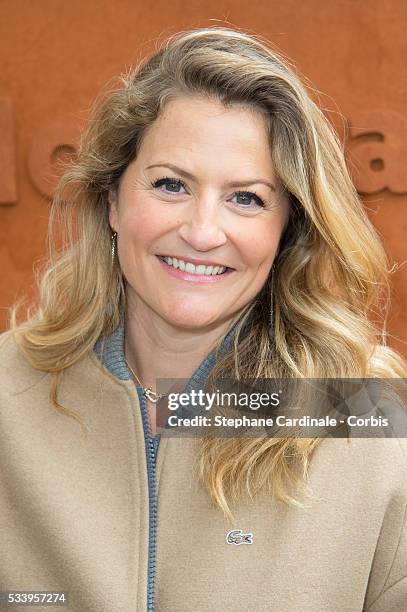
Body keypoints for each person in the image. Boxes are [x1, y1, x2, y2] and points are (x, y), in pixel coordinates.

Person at [0, 26, 406, 612]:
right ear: (113, 200)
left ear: (286, 229)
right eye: (171, 185)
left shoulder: (369, 416)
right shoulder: (9, 395)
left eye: (247, 198)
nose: (201, 232)